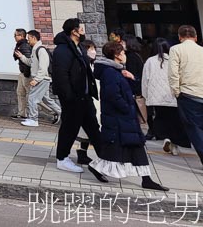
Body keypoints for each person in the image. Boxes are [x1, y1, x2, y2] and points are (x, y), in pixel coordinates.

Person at [89, 41, 168, 191]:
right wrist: (126, 108)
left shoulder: (117, 70)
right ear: (117, 55)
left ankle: (146, 179)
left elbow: (127, 90)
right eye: (123, 53)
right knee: (119, 148)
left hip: (123, 118)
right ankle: (98, 167)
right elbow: (112, 95)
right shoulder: (110, 72)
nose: (125, 55)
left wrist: (131, 78)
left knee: (134, 146)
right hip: (118, 118)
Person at [51, 18, 106, 177]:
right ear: (74, 31)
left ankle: (106, 159)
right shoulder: (62, 50)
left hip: (84, 96)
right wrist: (69, 96)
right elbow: (61, 76)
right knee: (70, 127)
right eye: (81, 28)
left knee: (94, 128)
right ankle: (62, 158)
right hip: (73, 98)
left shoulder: (79, 47)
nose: (83, 30)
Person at [143, 38, 190, 155]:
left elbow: (145, 81)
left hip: (157, 98)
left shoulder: (149, 61)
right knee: (175, 121)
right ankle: (174, 145)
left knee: (161, 118)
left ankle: (167, 138)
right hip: (173, 96)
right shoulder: (174, 60)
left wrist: (146, 96)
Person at [168, 24, 203, 167]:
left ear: (179, 37)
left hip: (188, 94)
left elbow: (173, 73)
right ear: (196, 37)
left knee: (194, 128)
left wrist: (176, 92)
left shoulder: (176, 49)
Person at [20, 30, 60, 127]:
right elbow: (31, 63)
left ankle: (33, 120)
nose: (28, 41)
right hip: (42, 79)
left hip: (42, 79)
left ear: (34, 38)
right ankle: (62, 112)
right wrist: (21, 57)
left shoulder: (40, 50)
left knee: (32, 98)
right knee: (46, 99)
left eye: (28, 38)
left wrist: (36, 79)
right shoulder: (35, 49)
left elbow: (43, 67)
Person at [11, 28, 32, 120]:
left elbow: (29, 62)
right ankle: (22, 113)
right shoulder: (20, 45)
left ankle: (54, 111)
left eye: (15, 35)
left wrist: (26, 74)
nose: (14, 37)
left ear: (21, 36)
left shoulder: (24, 46)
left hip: (26, 74)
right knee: (20, 93)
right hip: (22, 73)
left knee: (32, 95)